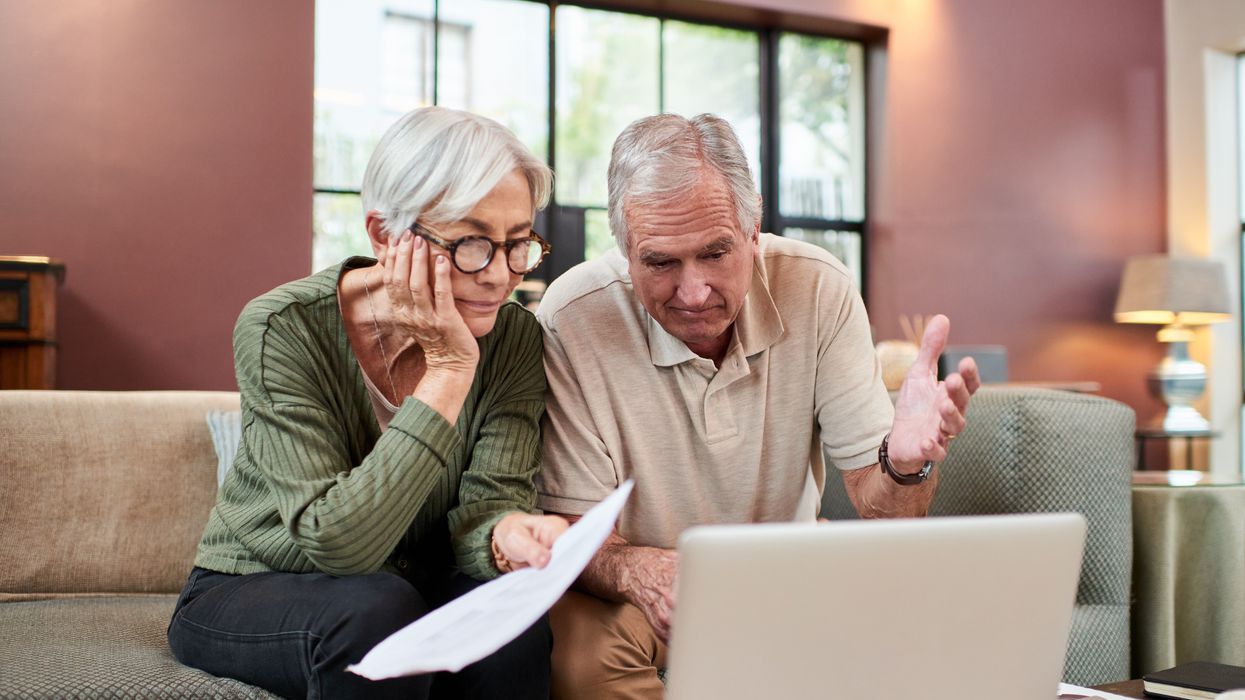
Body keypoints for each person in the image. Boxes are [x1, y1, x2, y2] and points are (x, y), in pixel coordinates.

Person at [535, 113, 981, 699]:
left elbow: (890, 514)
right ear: (623, 249)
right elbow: (574, 529)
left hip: (788, 575)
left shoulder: (820, 286)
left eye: (715, 252)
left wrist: (902, 463)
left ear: (753, 229)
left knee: (929, 624)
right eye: (660, 263)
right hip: (641, 598)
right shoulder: (572, 317)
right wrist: (642, 574)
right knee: (582, 654)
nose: (692, 293)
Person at [168, 106, 568, 699]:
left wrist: (505, 534)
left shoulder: (514, 338)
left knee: (514, 625)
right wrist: (450, 370)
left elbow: (487, 506)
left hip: (409, 585)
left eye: (517, 244)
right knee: (376, 612)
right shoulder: (283, 326)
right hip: (255, 583)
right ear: (385, 235)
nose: (500, 276)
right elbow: (335, 540)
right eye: (472, 244)